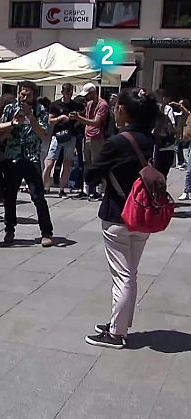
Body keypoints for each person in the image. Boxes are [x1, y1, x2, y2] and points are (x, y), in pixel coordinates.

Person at [84, 88, 160, 349]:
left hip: (117, 214)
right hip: (143, 215)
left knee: (122, 275)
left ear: (124, 111)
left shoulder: (117, 142)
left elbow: (90, 175)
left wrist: (107, 173)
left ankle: (116, 333)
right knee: (131, 273)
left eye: (117, 107)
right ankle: (119, 324)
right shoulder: (152, 141)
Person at [0, 81, 55, 247]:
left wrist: (31, 118)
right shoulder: (9, 109)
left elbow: (43, 134)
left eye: (27, 95)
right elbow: (0, 135)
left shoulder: (41, 110)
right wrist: (13, 124)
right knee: (10, 196)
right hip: (12, 157)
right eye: (22, 94)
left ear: (34, 95)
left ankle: (46, 232)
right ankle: (9, 229)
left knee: (38, 196)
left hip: (31, 158)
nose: (24, 97)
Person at [43, 83, 83, 198]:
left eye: (70, 92)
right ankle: (44, 186)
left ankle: (62, 189)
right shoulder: (55, 104)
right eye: (67, 92)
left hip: (70, 136)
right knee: (50, 162)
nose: (69, 94)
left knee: (67, 163)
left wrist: (75, 119)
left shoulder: (75, 105)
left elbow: (81, 119)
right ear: (62, 92)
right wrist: (61, 118)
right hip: (57, 136)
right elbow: (50, 120)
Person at [72, 82, 109, 200]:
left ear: (93, 92)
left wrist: (79, 118)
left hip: (97, 137)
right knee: (86, 163)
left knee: (97, 163)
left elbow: (97, 122)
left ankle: (99, 191)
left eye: (87, 94)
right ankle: (86, 189)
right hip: (87, 136)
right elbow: (88, 120)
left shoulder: (102, 104)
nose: (86, 97)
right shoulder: (89, 104)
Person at [171, 99, 191, 199]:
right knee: (189, 170)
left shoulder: (188, 114)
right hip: (186, 140)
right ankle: (186, 191)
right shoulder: (183, 114)